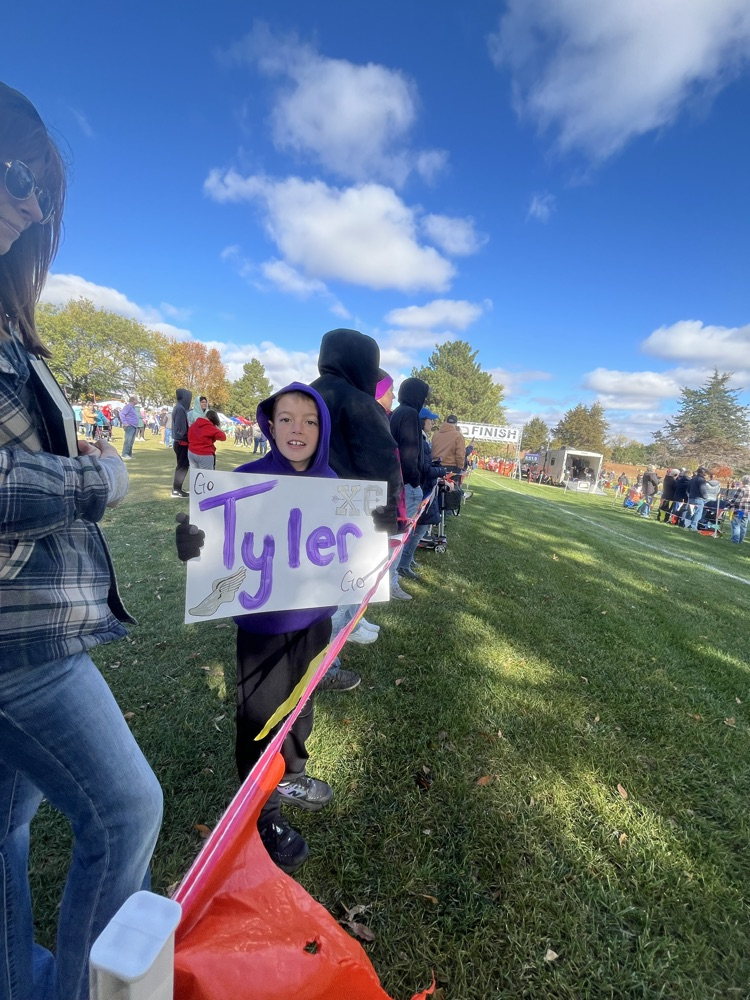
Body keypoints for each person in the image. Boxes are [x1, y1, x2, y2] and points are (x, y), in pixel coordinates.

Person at [0, 80, 162, 1000]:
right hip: (15, 639)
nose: (32, 208)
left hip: (29, 617)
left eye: (43, 195)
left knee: (6, 828)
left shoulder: (10, 321)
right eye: (20, 178)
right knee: (127, 808)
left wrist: (72, 455)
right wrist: (96, 481)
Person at [177, 383, 337, 875]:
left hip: (315, 623)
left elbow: (351, 548)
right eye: (285, 418)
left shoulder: (337, 486)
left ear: (323, 429)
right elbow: (215, 544)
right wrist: (193, 545)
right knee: (260, 720)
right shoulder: (244, 480)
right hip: (262, 626)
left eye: (309, 420)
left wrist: (376, 526)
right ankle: (261, 815)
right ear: (270, 425)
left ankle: (291, 774)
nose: (297, 429)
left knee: (301, 709)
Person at [390, 377, 430, 581]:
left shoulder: (398, 412)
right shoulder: (410, 414)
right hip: (407, 485)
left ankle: (390, 579)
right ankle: (392, 581)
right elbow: (409, 453)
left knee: (395, 536)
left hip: (398, 482)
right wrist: (414, 480)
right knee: (400, 537)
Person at [171, 387, 191, 497]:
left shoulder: (179, 408)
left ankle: (177, 488)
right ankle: (176, 489)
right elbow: (180, 429)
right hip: (182, 442)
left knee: (182, 466)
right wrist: (187, 436)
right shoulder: (180, 409)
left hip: (180, 442)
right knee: (182, 466)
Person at [686, 467, 709, 531]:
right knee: (697, 513)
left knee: (690, 512)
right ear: (703, 472)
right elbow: (703, 490)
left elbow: (688, 489)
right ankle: (693, 527)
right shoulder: (702, 480)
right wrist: (705, 497)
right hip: (699, 499)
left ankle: (686, 525)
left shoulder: (692, 479)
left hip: (691, 498)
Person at [729, 475, 750, 544]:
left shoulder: (742, 489)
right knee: (743, 526)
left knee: (736, 525)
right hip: (747, 511)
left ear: (743, 481)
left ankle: (735, 541)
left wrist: (729, 504)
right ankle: (740, 541)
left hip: (739, 510)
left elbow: (736, 500)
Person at [118, 394, 139, 460]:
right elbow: (122, 414)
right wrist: (125, 423)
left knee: (131, 441)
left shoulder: (132, 407)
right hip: (130, 426)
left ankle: (129, 454)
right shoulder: (128, 406)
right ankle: (125, 454)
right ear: (133, 400)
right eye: (136, 400)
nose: (137, 401)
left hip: (133, 426)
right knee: (128, 440)